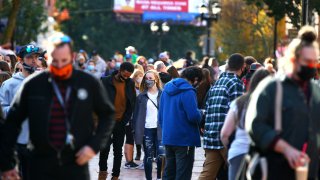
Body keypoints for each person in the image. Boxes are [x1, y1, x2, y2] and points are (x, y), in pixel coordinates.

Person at [0, 35, 115, 180]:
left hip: (76, 161)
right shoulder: (32, 85)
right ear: (48, 58)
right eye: (55, 61)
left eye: (64, 61)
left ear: (72, 57)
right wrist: (7, 163)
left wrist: (94, 145)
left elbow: (108, 115)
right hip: (40, 162)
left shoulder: (87, 82)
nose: (60, 66)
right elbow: (12, 122)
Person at [246, 26, 320, 179]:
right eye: (307, 62)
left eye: (315, 63)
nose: (311, 67)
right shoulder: (272, 87)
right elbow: (255, 125)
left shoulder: (315, 91)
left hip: (308, 172)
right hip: (275, 171)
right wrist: (286, 149)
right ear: (293, 60)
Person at [0, 43, 42, 180]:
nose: (34, 60)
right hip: (17, 143)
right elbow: (2, 110)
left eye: (37, 57)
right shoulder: (9, 84)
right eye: (30, 57)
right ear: (20, 60)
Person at [200, 53, 245, 179]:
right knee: (239, 174)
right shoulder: (236, 83)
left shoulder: (217, 83)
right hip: (227, 139)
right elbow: (238, 113)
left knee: (207, 175)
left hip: (211, 136)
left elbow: (207, 108)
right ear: (242, 67)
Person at [220, 69, 270, 180]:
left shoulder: (239, 102)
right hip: (265, 156)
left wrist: (228, 147)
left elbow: (224, 134)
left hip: (239, 152)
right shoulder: (273, 103)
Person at [159, 66, 203, 180]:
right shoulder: (188, 91)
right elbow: (193, 116)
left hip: (168, 137)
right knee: (183, 174)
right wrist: (201, 113)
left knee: (169, 172)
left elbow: (160, 116)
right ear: (196, 79)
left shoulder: (166, 89)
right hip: (184, 139)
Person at [99, 62, 136, 180]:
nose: (126, 78)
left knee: (118, 151)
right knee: (104, 149)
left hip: (121, 122)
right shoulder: (105, 81)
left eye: (128, 76)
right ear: (120, 70)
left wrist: (125, 120)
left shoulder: (130, 83)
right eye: (124, 75)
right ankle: (102, 174)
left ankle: (115, 176)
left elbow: (132, 103)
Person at [133, 70, 163, 180]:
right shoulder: (141, 97)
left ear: (156, 79)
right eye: (147, 78)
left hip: (161, 129)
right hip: (147, 129)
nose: (148, 80)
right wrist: (135, 131)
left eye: (151, 78)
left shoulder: (163, 95)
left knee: (161, 155)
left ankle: (159, 177)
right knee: (148, 156)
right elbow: (136, 116)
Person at [129, 69, 144, 161]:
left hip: (142, 113)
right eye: (137, 76)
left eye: (141, 75)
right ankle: (138, 152)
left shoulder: (144, 87)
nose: (139, 78)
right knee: (135, 134)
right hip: (133, 113)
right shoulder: (132, 87)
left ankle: (144, 152)